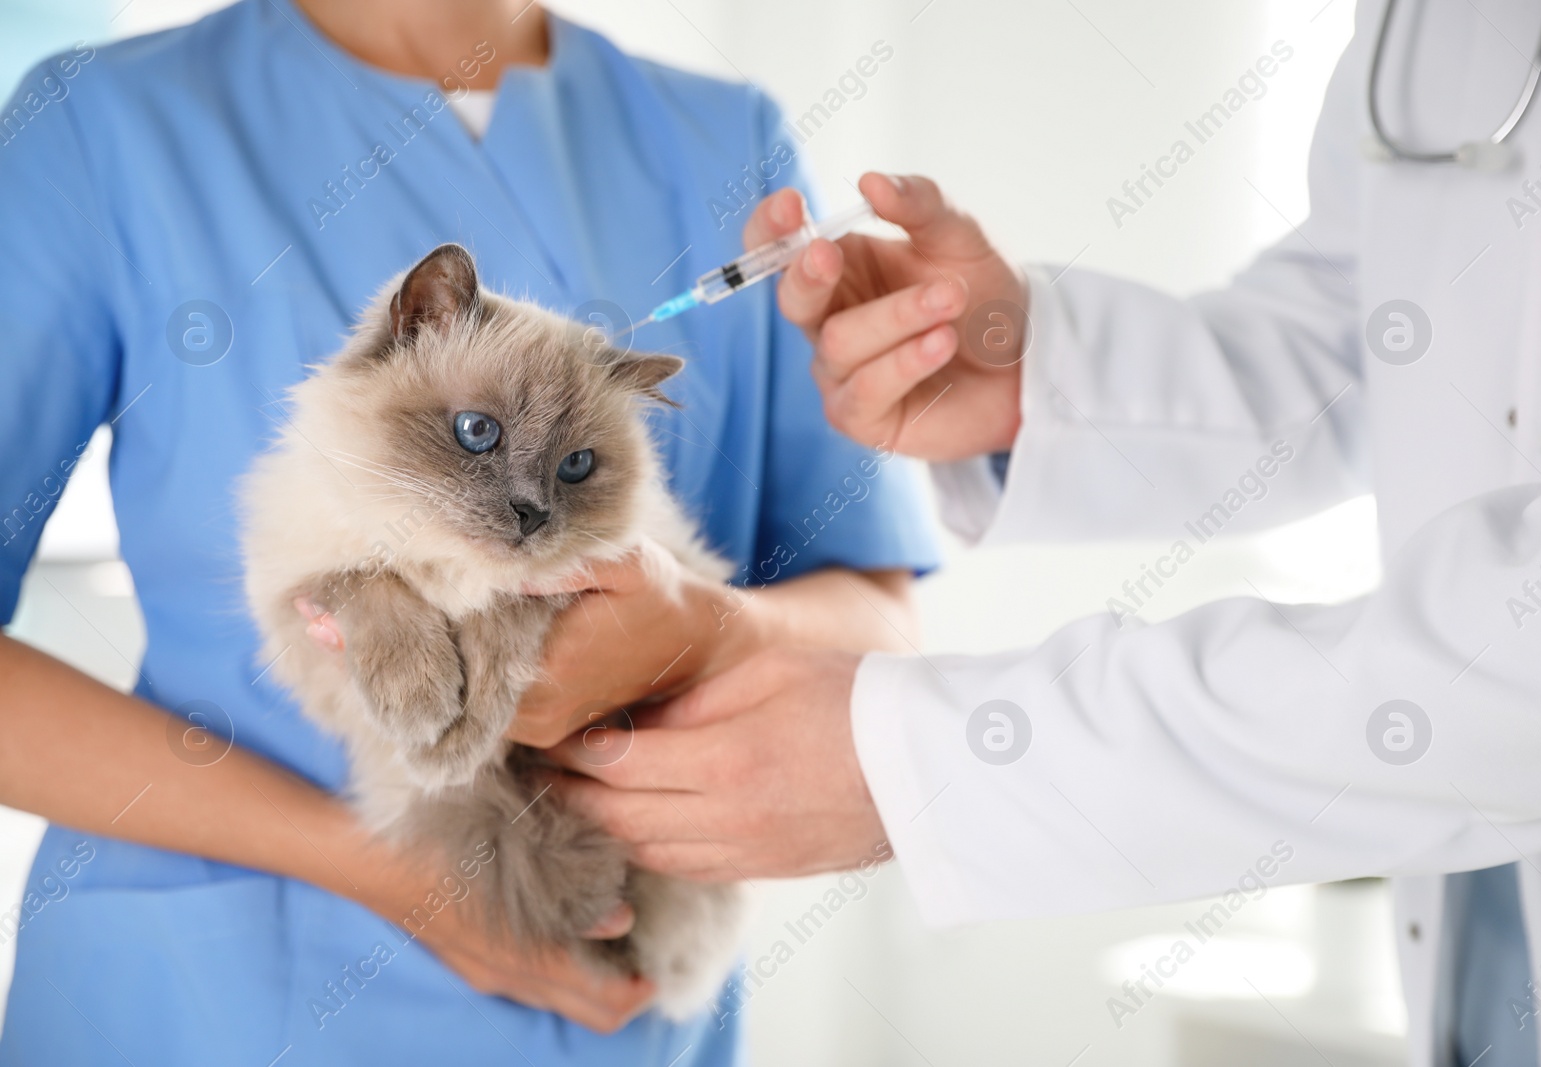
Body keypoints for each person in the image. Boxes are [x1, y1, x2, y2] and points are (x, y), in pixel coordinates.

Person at [551, 3, 1541, 1064]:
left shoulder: (715, 128)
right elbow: (1369, 321)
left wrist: (926, 758)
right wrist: (1035, 373)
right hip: (1481, 945)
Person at [0, 1, 937, 1063]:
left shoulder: (726, 139)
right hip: (215, 1002)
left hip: (631, 999)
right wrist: (382, 866)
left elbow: (880, 637)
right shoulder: (100, 126)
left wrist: (701, 631)